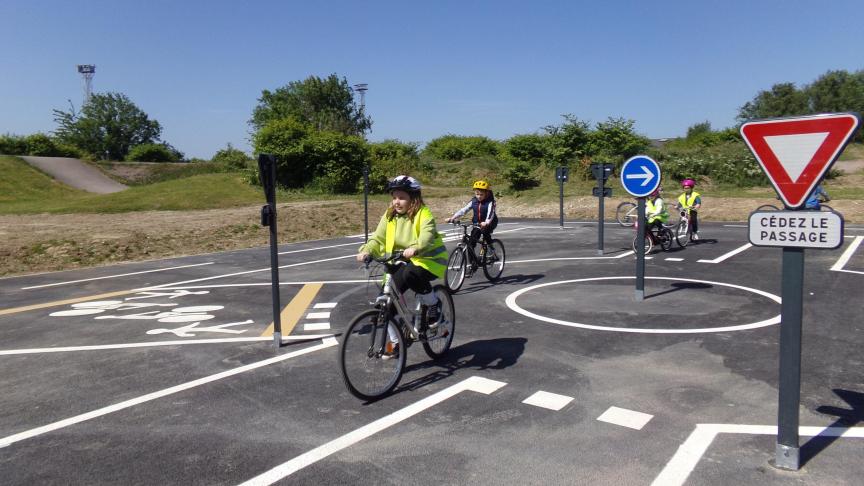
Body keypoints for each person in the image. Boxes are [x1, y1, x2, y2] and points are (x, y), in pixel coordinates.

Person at [357, 175, 448, 356]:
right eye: (394, 197)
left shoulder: (423, 213)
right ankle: (397, 343)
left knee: (411, 274)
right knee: (384, 305)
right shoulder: (389, 215)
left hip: (426, 260)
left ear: (413, 198)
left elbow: (427, 234)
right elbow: (378, 238)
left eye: (401, 197)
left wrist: (416, 247)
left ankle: (433, 306)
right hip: (398, 261)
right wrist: (367, 250)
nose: (396, 202)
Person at [446, 180, 498, 267]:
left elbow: (491, 213)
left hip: (490, 222)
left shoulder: (490, 202)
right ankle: (472, 265)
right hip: (477, 223)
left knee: (485, 232)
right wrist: (453, 217)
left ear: (486, 193)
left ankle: (491, 250)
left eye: (481, 194)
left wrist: (487, 222)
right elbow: (464, 210)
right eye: (477, 194)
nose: (479, 196)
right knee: (470, 244)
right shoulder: (474, 201)